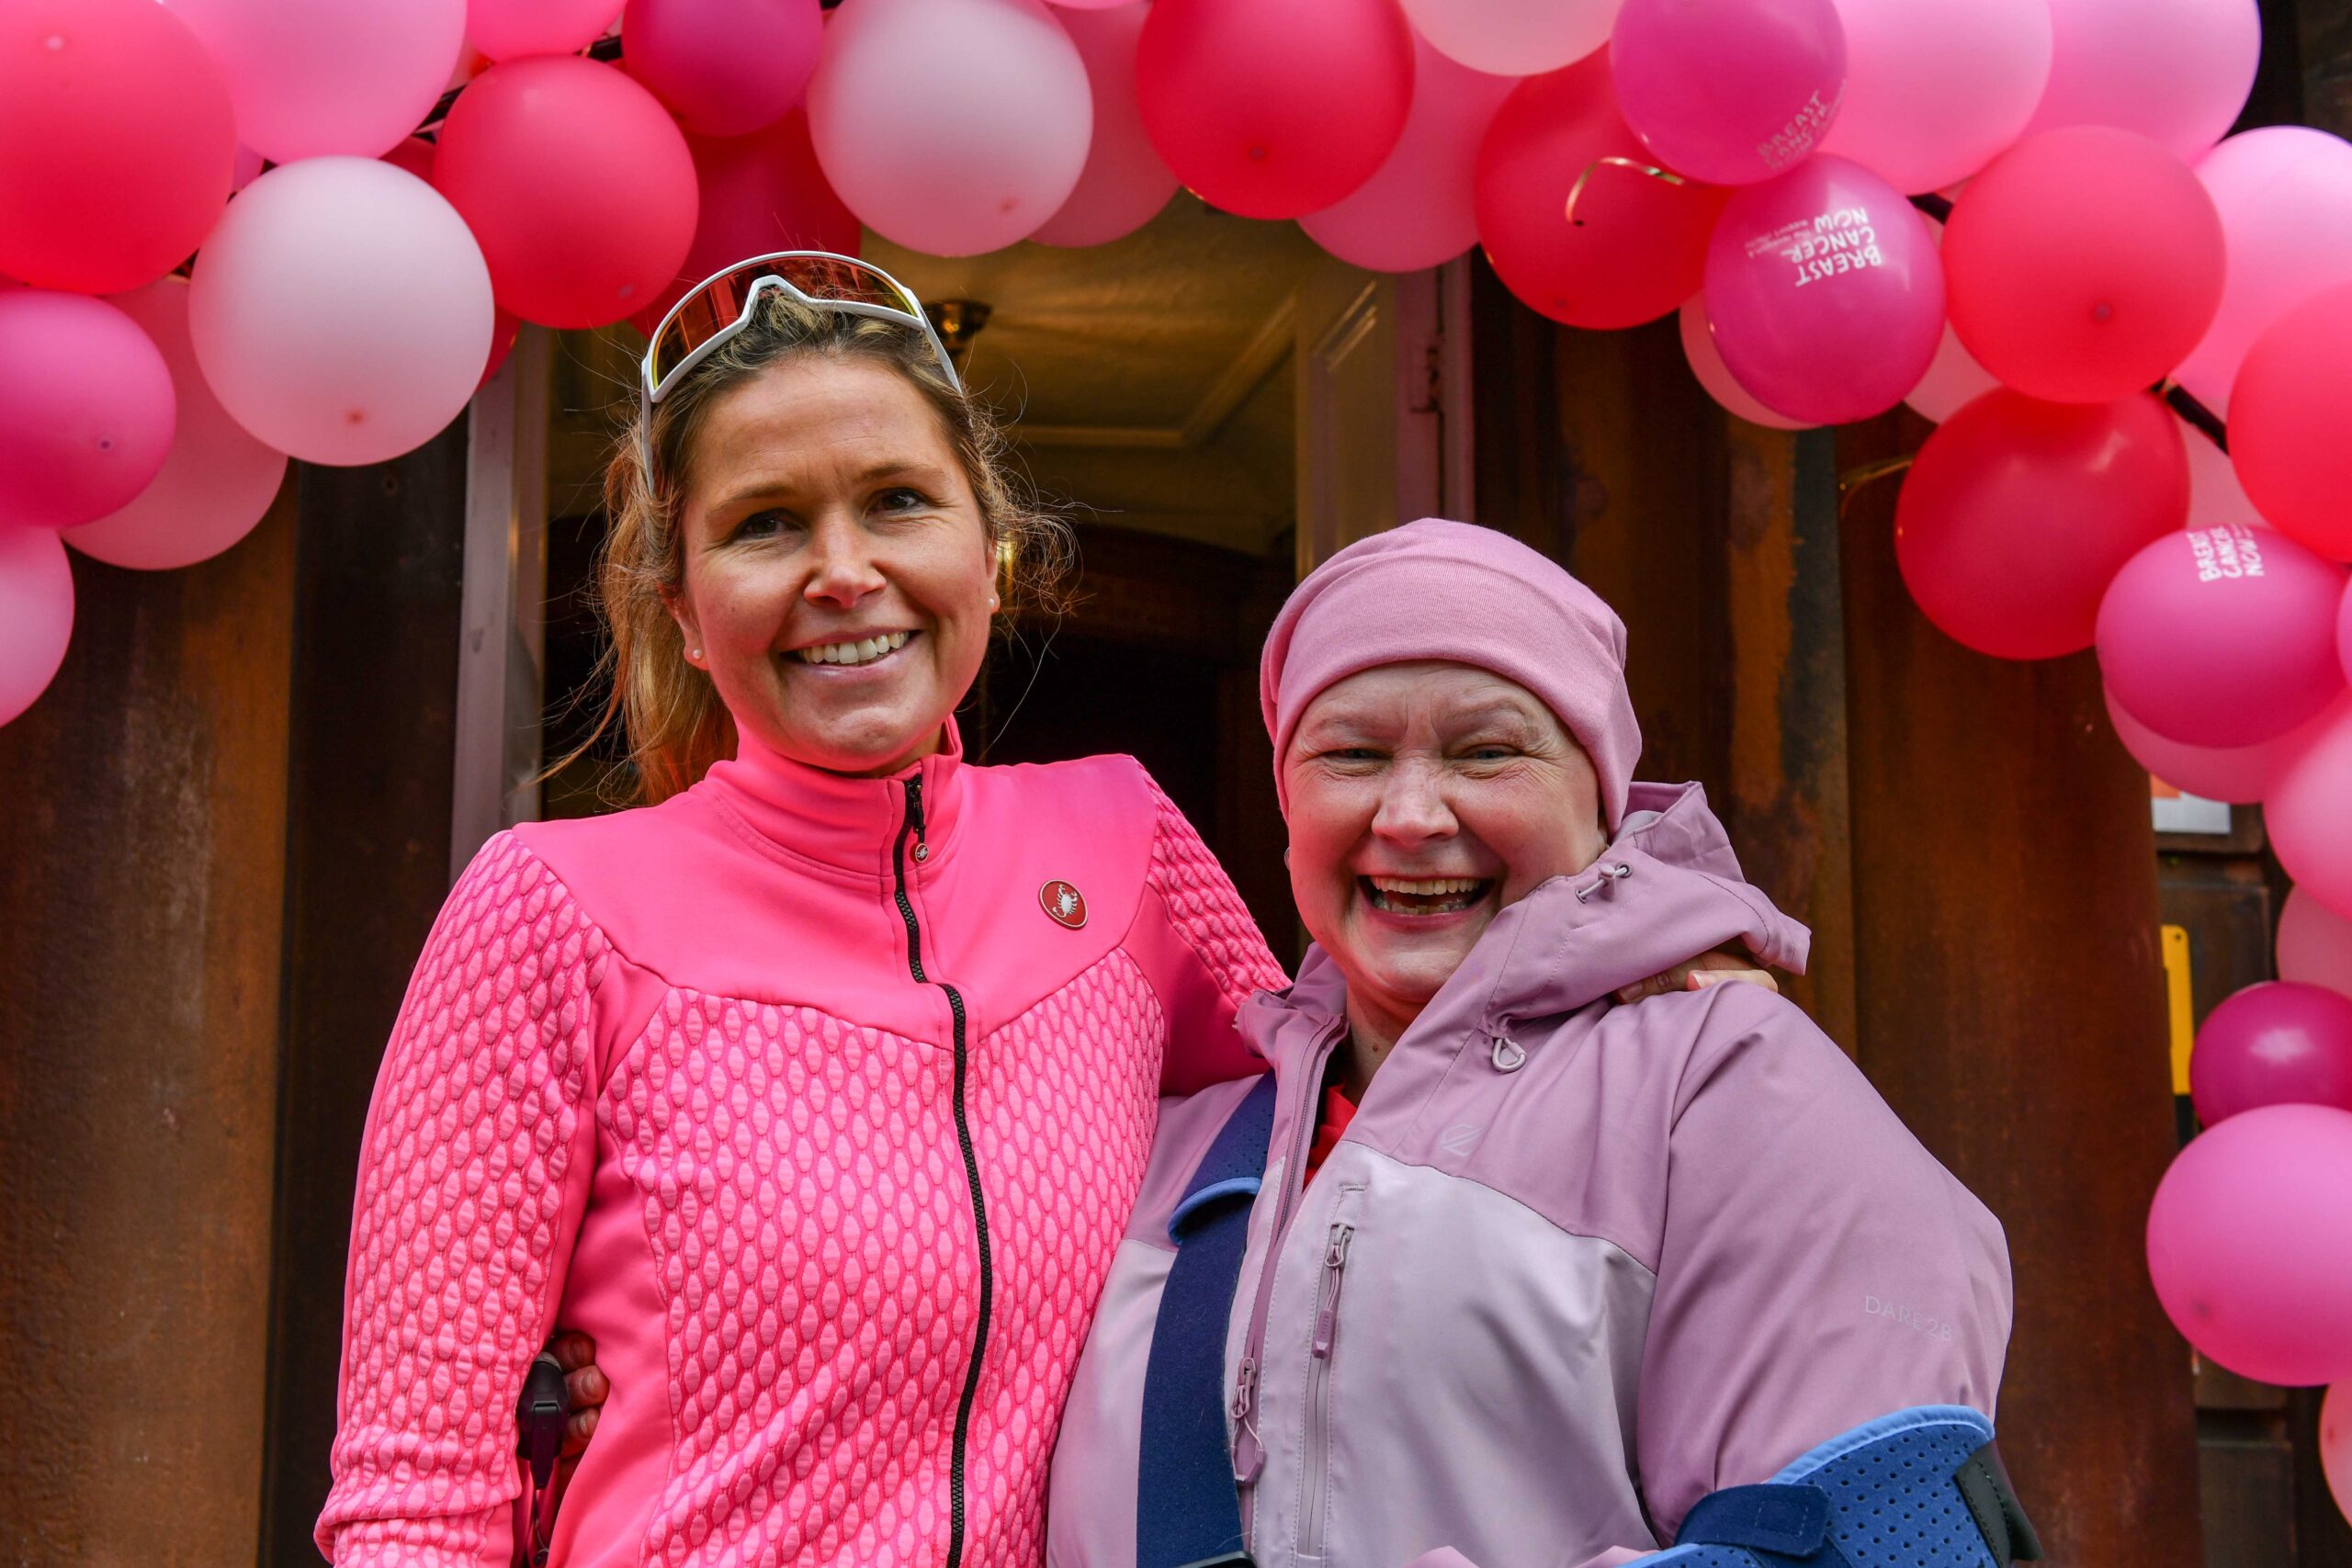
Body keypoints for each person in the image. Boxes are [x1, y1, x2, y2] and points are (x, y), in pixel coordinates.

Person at [317, 258, 1758, 1568]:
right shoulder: (554, 905)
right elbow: (412, 1492)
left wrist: (1612, 954)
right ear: (686, 607)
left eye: (896, 500)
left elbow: (1359, 1119)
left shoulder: (1120, 838)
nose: (843, 571)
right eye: (765, 525)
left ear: (987, 549)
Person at [1043, 520, 2018, 1568]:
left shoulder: (1735, 1089)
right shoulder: (1168, 1136)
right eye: (1351, 754)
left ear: (1598, 796)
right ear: (1288, 801)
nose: (1410, 814)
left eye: (1487, 751)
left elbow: (1868, 1541)